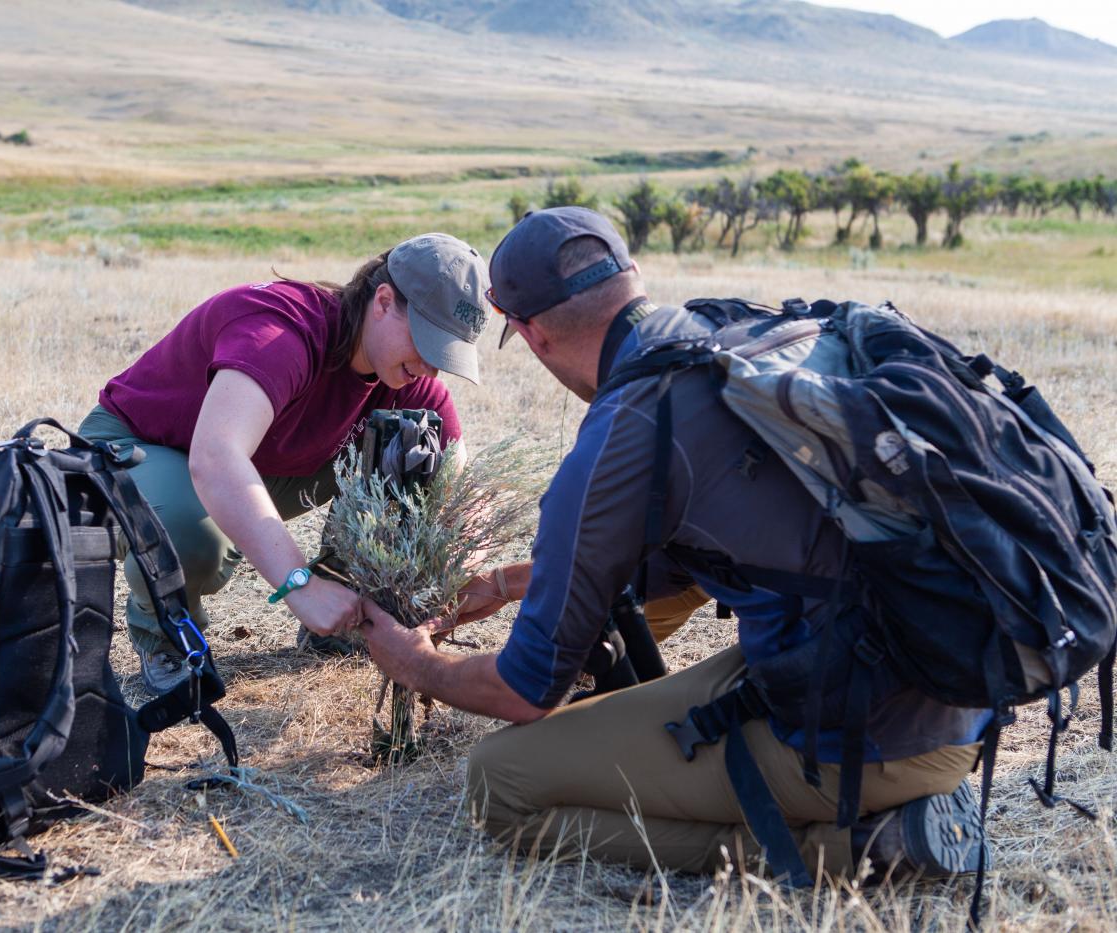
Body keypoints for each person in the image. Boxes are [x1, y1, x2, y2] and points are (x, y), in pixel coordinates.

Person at [361, 207, 991, 886]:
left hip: (859, 737)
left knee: (499, 781)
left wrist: (418, 664)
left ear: (533, 334)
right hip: (955, 682)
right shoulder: (729, 337)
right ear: (632, 275)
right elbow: (685, 560)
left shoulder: (623, 433)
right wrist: (508, 582)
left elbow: (527, 689)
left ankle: (870, 845)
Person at [80, 233, 490, 694]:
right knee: (192, 540)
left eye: (445, 352)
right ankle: (167, 636)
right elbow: (216, 457)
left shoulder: (407, 379)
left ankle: (344, 619)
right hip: (137, 448)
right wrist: (300, 585)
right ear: (383, 301)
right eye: (427, 342)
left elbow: (460, 492)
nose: (432, 368)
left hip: (253, 460)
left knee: (413, 456)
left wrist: (457, 571)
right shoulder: (281, 332)